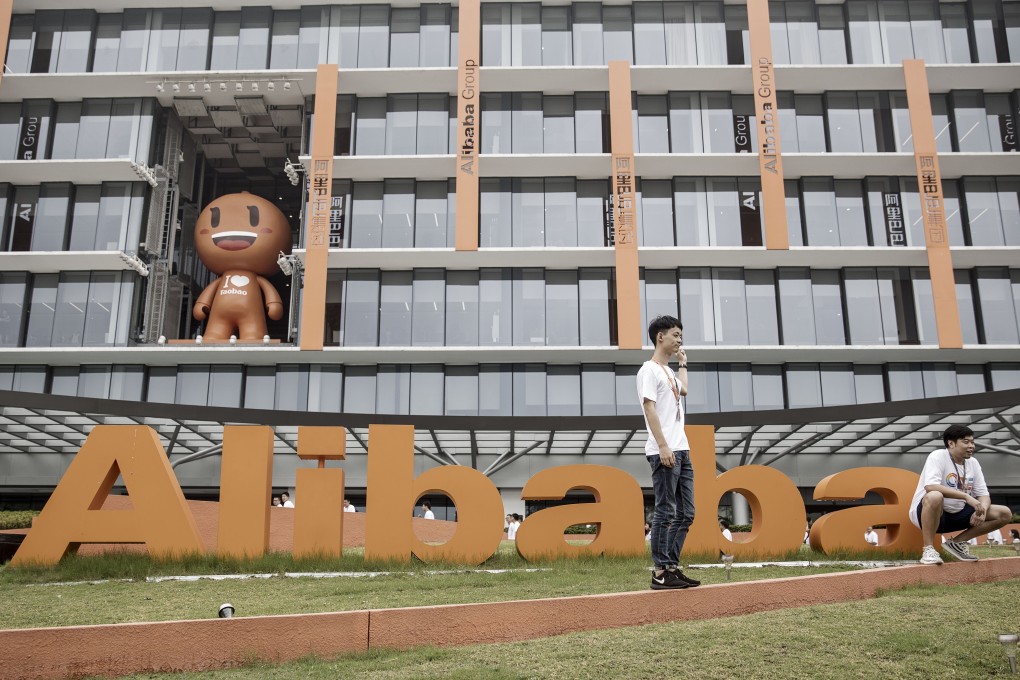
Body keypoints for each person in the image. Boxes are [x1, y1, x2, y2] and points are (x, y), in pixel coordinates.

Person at [638, 315, 699, 590]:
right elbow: (649, 408)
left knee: (686, 512)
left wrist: (683, 363)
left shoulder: (669, 373)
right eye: (676, 335)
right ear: (660, 336)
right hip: (665, 449)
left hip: (682, 449)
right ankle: (660, 572)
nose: (679, 340)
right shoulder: (648, 370)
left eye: (681, 336)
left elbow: (684, 390)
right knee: (665, 510)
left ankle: (672, 567)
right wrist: (663, 445)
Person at [909, 425, 1013, 565]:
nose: (971, 446)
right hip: (932, 514)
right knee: (935, 496)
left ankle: (957, 543)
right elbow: (930, 486)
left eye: (972, 442)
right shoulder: (938, 456)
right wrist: (966, 497)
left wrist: (982, 510)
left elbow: (983, 495)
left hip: (957, 514)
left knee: (1004, 513)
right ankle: (928, 549)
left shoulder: (973, 463)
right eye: (966, 442)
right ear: (951, 443)